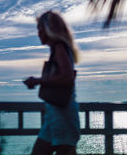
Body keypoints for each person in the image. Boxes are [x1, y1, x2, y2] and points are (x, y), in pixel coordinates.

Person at [24, 10, 80, 155]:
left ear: (49, 29)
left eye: (40, 29)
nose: (38, 33)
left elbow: (67, 77)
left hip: (63, 117)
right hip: (54, 116)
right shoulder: (59, 48)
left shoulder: (59, 47)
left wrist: (38, 81)